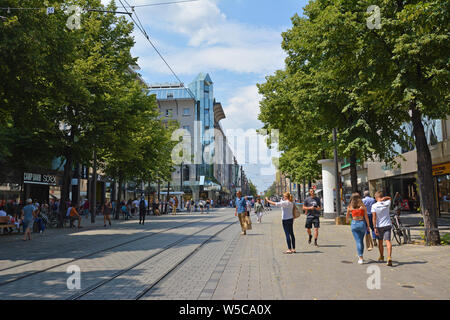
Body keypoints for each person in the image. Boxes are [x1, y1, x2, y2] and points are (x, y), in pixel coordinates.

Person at [346, 193, 371, 264]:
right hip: (362, 223)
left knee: (358, 241)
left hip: (354, 224)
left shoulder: (350, 207)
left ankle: (360, 257)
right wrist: (368, 226)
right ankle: (361, 256)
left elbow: (347, 217)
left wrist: (347, 221)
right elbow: (366, 217)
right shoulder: (363, 207)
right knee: (361, 240)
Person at [372, 191, 393, 266]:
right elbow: (390, 198)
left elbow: (374, 218)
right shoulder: (387, 203)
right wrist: (385, 198)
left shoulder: (374, 206)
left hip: (379, 226)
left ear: (376, 197)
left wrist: (374, 227)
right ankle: (389, 257)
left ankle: (381, 256)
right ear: (382, 197)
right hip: (387, 225)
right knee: (388, 241)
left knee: (380, 242)